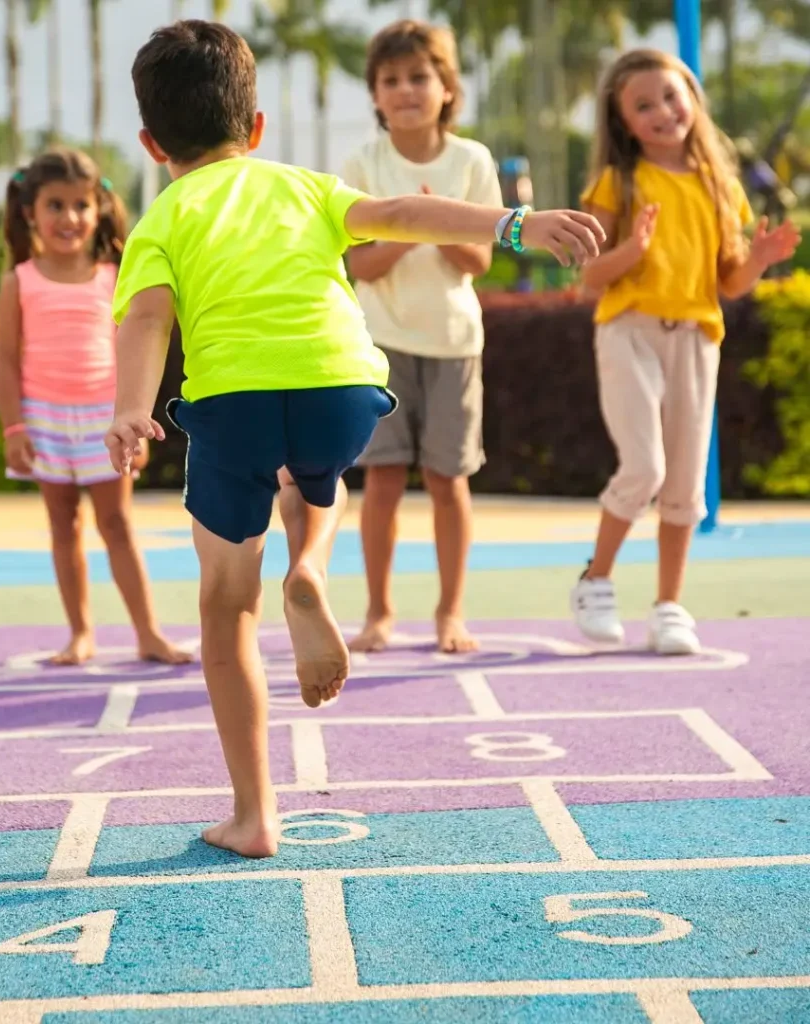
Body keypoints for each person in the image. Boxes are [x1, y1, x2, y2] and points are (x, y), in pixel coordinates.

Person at [105, 20, 603, 858]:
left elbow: (149, 318)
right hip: (341, 384)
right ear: (256, 129)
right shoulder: (303, 185)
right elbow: (405, 213)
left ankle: (255, 815)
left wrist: (129, 407)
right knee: (319, 478)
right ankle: (310, 567)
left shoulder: (160, 220)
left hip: (233, 399)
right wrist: (516, 225)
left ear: (153, 143)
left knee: (226, 605)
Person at [570, 49, 801, 655]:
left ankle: (670, 606)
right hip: (629, 331)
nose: (662, 112)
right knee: (643, 467)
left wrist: (759, 260)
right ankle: (596, 580)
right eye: (643, 105)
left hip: (697, 338)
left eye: (671, 97)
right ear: (623, 123)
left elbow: (729, 282)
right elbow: (591, 276)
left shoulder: (722, 188)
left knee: (685, 481)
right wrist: (634, 251)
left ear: (693, 100)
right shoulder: (616, 182)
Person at [0, 148, 191, 668]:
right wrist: (15, 428)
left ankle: (148, 633)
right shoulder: (19, 281)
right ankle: (80, 634)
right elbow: (6, 363)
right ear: (30, 212)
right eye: (55, 205)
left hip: (107, 420)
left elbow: (138, 349)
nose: (69, 218)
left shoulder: (115, 274)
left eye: (81, 205)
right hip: (46, 422)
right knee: (63, 525)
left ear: (99, 208)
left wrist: (135, 422)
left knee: (118, 524)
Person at [343, 20, 503, 655]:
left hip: (454, 343)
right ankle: (379, 612)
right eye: (391, 80)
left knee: (448, 480)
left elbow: (479, 261)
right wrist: (404, 223)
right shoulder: (363, 163)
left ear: (446, 88)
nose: (406, 89)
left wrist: (439, 224)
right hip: (378, 345)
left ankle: (449, 613)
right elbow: (357, 264)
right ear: (375, 95)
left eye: (419, 77)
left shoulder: (472, 161)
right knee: (380, 481)